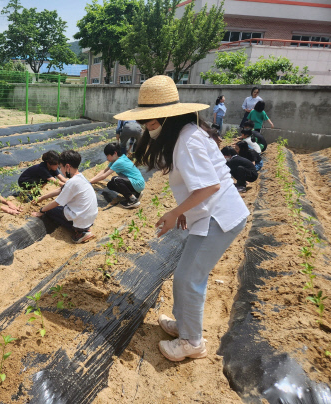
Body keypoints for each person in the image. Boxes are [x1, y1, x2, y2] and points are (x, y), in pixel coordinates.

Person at [115, 75, 249, 362]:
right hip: (209, 213)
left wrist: (175, 212)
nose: (147, 128)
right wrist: (187, 211)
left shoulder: (187, 140)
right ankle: (185, 326)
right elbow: (199, 185)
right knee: (186, 276)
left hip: (218, 216)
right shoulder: (185, 134)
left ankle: (192, 342)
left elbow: (209, 185)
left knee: (190, 279)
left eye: (151, 122)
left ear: (168, 117)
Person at [32, 150, 98, 244]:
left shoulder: (72, 182)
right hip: (90, 218)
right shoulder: (80, 178)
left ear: (67, 166)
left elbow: (57, 202)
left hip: (81, 219)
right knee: (65, 207)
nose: (61, 171)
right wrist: (42, 198)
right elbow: (62, 189)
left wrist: (42, 210)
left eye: (61, 167)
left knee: (51, 211)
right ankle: (85, 228)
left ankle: (80, 232)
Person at [89, 143, 145, 208]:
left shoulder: (119, 162)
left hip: (138, 183)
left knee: (116, 179)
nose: (107, 158)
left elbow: (104, 176)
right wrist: (92, 180)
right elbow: (104, 171)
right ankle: (135, 193)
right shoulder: (117, 159)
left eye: (108, 155)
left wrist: (90, 182)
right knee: (111, 184)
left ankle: (132, 200)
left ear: (115, 153)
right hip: (135, 183)